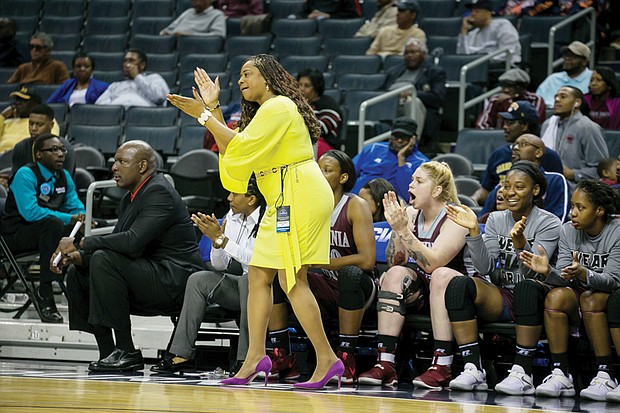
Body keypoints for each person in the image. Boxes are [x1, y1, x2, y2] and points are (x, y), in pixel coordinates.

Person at [167, 54, 342, 389]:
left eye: (248, 74)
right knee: (260, 276)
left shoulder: (278, 106)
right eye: (239, 76)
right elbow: (233, 151)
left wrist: (203, 114)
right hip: (281, 198)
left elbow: (238, 144)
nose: (241, 80)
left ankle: (328, 360)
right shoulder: (266, 113)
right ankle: (254, 358)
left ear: (269, 78)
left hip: (298, 194)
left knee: (293, 281)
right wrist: (214, 108)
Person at [56, 141, 204, 372]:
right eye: (115, 161)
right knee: (78, 273)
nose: (114, 167)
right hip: (148, 274)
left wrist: (81, 242)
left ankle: (127, 350)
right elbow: (119, 245)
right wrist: (77, 257)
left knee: (103, 259)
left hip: (175, 279)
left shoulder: (159, 191)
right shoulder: (130, 197)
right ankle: (109, 351)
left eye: (122, 162)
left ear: (143, 166)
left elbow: (132, 242)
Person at [444, 161, 561, 392]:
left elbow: (534, 271)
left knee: (527, 288)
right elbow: (485, 267)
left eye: (518, 187)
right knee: (459, 285)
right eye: (506, 186)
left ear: (535, 190)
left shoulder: (549, 222)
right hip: (505, 295)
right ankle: (473, 368)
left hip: (538, 296)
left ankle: (522, 372)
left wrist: (520, 245)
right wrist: (475, 232)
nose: (509, 192)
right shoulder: (497, 219)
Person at [357, 161, 474, 388]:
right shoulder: (410, 213)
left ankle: (442, 364)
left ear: (437, 190)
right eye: (412, 180)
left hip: (456, 297)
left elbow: (432, 263)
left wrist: (403, 230)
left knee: (439, 274)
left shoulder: (456, 215)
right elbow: (394, 261)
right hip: (423, 294)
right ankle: (386, 363)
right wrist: (397, 229)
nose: (411, 185)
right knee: (394, 275)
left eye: (419, 181)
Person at [266, 150, 376, 384]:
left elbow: (367, 260)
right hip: (324, 285)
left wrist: (321, 262)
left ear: (343, 178)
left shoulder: (356, 206)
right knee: (280, 273)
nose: (319, 174)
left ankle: (346, 356)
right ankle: (282, 356)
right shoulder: (308, 205)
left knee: (350, 275)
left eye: (327, 170)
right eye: (317, 169)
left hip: (359, 289)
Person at [151, 174, 266, 373]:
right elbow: (220, 266)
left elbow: (257, 261)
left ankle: (246, 359)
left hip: (265, 289)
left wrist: (222, 240)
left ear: (251, 199)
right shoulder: (232, 217)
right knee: (199, 280)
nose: (229, 198)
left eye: (234, 193)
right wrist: (215, 242)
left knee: (249, 279)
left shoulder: (267, 219)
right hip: (240, 286)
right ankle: (181, 354)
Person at [519, 180, 620, 400]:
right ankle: (560, 373)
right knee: (555, 297)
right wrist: (547, 271)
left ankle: (606, 375)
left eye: (580, 208)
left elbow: (614, 280)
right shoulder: (568, 231)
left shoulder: (617, 231)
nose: (572, 213)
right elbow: (564, 279)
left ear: (599, 210)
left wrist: (585, 274)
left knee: (591, 299)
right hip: (581, 295)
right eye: (572, 206)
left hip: (610, 297)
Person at [1, 134, 85, 323]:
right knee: (53, 223)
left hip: (45, 233)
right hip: (14, 236)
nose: (61, 154)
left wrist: (82, 217)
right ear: (39, 155)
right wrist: (69, 218)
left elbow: (74, 203)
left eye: (62, 149)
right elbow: (30, 213)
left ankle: (84, 291)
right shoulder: (25, 174)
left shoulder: (63, 176)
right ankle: (45, 292)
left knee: (87, 230)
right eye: (53, 150)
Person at [471, 100, 562, 206]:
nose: (505, 127)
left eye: (510, 123)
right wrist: (474, 198)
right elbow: (487, 189)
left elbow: (555, 193)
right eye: (504, 122)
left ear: (524, 126)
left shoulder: (549, 156)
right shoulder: (498, 154)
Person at [480, 134, 571, 222]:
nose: (515, 148)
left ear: (538, 152)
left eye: (523, 144)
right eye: (514, 145)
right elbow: (483, 218)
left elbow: (558, 221)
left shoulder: (555, 180)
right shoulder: (504, 183)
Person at [384, 37, 447, 147]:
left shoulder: (434, 72)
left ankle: (410, 143)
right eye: (407, 52)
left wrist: (413, 94)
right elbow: (381, 91)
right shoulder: (394, 71)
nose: (409, 55)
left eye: (413, 52)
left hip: (417, 109)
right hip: (391, 106)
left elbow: (438, 97)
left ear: (423, 54)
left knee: (412, 102)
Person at [540, 86, 608, 183]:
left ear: (577, 103)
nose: (557, 100)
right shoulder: (548, 124)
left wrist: (572, 174)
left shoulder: (589, 127)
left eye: (563, 97)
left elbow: (602, 169)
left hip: (577, 187)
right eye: (555, 97)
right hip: (547, 182)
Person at [351, 117, 429, 201]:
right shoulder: (373, 148)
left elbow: (409, 196)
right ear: (391, 136)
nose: (399, 140)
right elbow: (350, 172)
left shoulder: (422, 163)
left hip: (390, 206)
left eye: (404, 137)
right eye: (396, 136)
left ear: (413, 139)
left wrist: (401, 159)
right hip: (358, 199)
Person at [11, 104, 75, 177]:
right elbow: (16, 179)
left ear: (51, 125)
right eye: (31, 124)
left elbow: (65, 183)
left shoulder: (64, 148)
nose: (34, 128)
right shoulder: (20, 147)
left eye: (39, 124)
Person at [95, 49, 170, 109]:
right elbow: (100, 106)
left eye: (131, 61)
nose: (126, 65)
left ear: (142, 65)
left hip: (144, 119)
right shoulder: (115, 86)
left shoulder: (154, 79)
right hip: (117, 120)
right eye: (125, 61)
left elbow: (159, 97)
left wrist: (137, 77)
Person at [476, 68, 546, 129]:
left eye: (510, 86)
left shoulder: (536, 100)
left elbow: (532, 125)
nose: (506, 90)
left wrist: (508, 103)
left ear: (522, 87)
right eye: (504, 86)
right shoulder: (496, 100)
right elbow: (481, 125)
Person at [297, 68, 343, 159]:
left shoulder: (328, 104)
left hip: (324, 146)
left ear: (316, 88)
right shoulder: (296, 103)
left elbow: (321, 129)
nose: (301, 89)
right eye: (300, 85)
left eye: (307, 86)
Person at [457, 0, 521, 64]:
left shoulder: (502, 25)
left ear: (488, 13)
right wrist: (464, 32)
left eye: (477, 11)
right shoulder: (473, 33)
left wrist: (480, 60)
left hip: (503, 68)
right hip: (478, 68)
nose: (472, 14)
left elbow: (508, 52)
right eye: (471, 11)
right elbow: (463, 57)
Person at [0, 87, 60, 153]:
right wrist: (2, 116)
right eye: (17, 100)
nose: (17, 103)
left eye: (23, 100)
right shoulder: (6, 122)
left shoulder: (44, 120)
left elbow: (49, 142)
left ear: (35, 104)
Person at [536, 41, 593, 109]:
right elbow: (537, 101)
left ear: (584, 61)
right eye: (566, 56)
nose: (567, 59)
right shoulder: (553, 78)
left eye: (572, 57)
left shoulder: (592, 78)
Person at [160, 0, 226, 38]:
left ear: (208, 1)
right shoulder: (189, 11)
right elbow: (170, 28)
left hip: (193, 46)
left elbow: (218, 35)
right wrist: (165, 32)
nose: (195, 3)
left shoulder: (217, 14)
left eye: (198, 0)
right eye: (193, 1)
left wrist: (189, 35)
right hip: (173, 41)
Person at [584, 66, 620, 130]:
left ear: (609, 84)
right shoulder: (584, 99)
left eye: (599, 80)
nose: (593, 83)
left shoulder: (617, 102)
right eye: (591, 80)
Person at [296, 0, 361, 19]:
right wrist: (309, 16)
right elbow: (303, 13)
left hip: (337, 31)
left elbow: (352, 15)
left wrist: (329, 16)